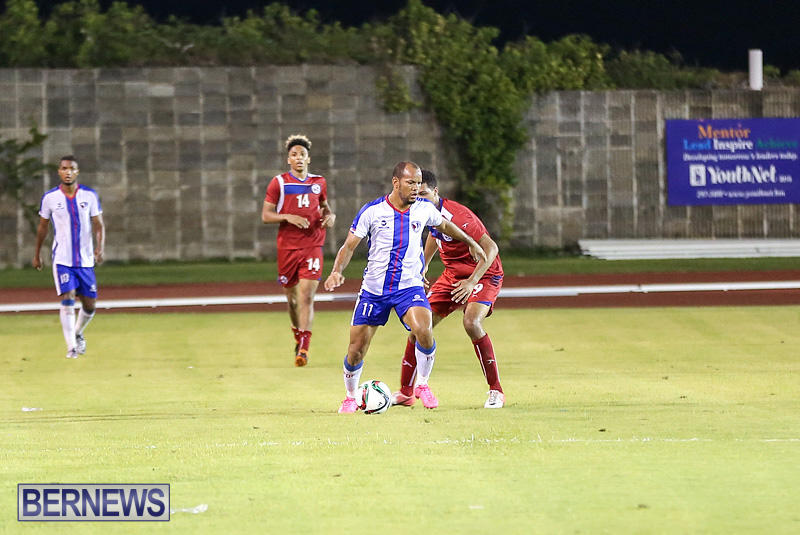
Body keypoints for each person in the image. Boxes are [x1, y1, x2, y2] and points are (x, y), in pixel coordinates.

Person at [324, 161, 488, 413]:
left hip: (409, 287)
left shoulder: (423, 208)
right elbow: (349, 246)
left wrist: (471, 243)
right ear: (396, 182)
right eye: (411, 182)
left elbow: (445, 225)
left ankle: (422, 385)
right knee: (356, 350)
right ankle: (350, 396)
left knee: (424, 329)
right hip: (375, 290)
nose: (416, 188)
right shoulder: (372, 211)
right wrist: (337, 271)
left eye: (419, 183)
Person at [392, 170, 506, 409]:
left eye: (424, 194)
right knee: (419, 326)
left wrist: (472, 282)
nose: (420, 199)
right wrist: (422, 268)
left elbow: (491, 248)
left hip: (484, 273)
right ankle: (405, 393)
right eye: (417, 195)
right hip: (453, 275)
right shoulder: (424, 211)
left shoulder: (459, 216)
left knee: (471, 322)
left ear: (436, 192)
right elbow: (435, 235)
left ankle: (496, 390)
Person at [262, 134, 336, 367]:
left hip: (312, 245)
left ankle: (304, 347)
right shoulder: (279, 183)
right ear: (289, 159)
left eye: (302, 154)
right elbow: (266, 215)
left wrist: (330, 216)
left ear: (308, 159)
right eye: (294, 155)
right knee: (292, 300)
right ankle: (297, 333)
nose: (299, 158)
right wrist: (287, 216)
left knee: (306, 296)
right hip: (287, 248)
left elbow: (324, 207)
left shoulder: (319, 182)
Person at [32, 155, 105, 359]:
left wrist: (100, 248)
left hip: (85, 260)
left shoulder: (89, 196)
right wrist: (37, 254)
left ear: (77, 172)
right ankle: (71, 347)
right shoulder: (50, 198)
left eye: (71, 168)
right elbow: (42, 227)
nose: (68, 172)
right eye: (64, 168)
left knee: (90, 306)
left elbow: (99, 225)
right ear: (59, 171)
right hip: (62, 260)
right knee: (68, 296)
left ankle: (77, 332)